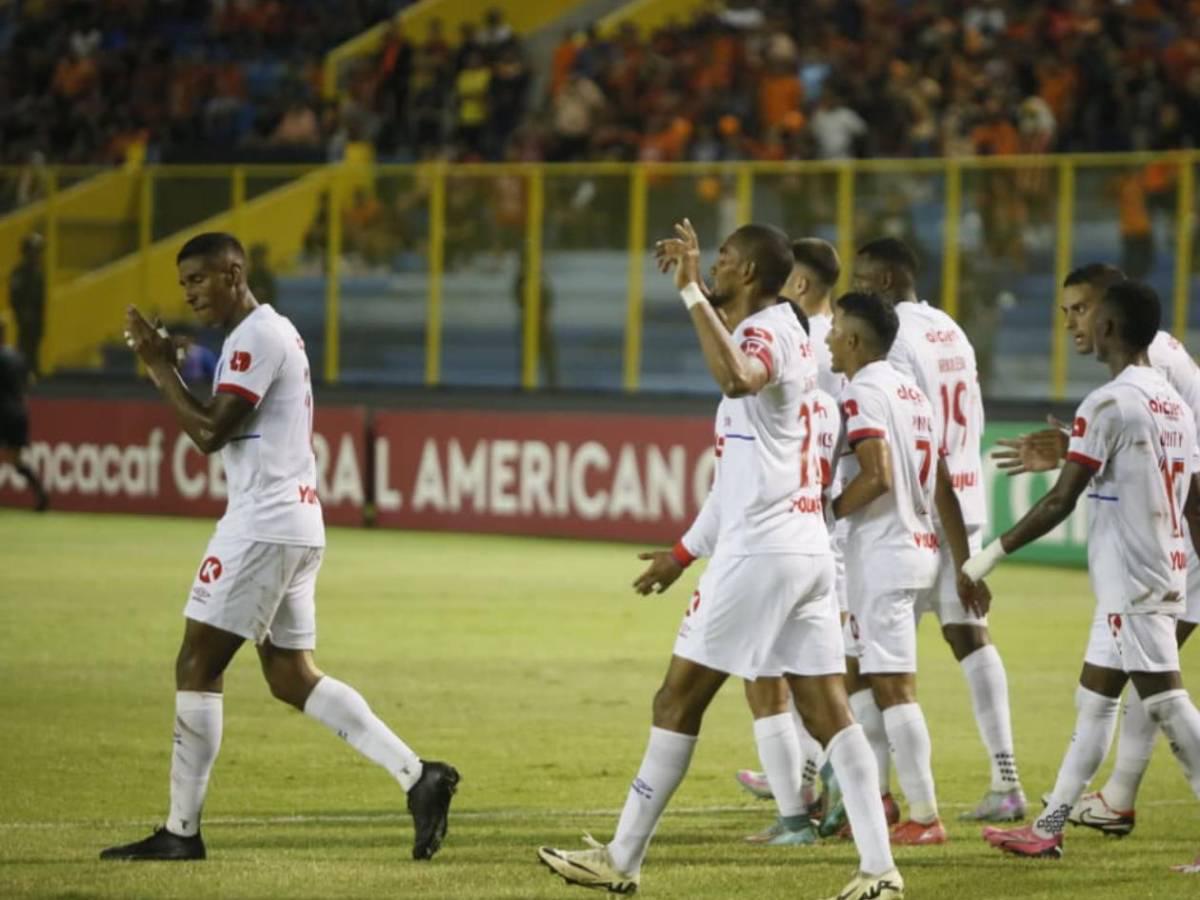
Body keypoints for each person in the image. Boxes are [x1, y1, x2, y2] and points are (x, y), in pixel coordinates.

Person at [537, 222, 904, 900]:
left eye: (727, 260)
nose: (715, 268)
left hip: (761, 556)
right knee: (828, 711)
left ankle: (622, 858)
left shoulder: (761, 337)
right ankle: (880, 870)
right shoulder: (804, 358)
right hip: (808, 552)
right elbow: (737, 483)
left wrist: (688, 294)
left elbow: (737, 376)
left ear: (754, 277)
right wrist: (681, 555)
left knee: (677, 699)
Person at [100, 232, 459, 862]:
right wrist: (178, 363)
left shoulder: (258, 337)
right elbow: (229, 416)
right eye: (184, 284)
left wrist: (158, 368)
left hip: (264, 525)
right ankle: (417, 776)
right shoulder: (261, 336)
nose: (190, 292)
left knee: (197, 665)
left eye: (201, 279)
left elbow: (211, 432)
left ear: (235, 273)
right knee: (291, 676)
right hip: (291, 521)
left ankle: (181, 834)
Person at [963, 280, 1200, 875]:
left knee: (1168, 705)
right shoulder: (1170, 402)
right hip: (1157, 568)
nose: (1077, 327)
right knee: (1094, 701)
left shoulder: (1109, 402)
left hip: (1134, 580)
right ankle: (1047, 828)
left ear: (1111, 328)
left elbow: (1059, 501)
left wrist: (988, 555)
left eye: (1085, 316)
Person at [850, 237, 1027, 823]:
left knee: (868, 657)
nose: (854, 286)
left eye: (862, 276)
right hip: (965, 500)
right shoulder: (950, 327)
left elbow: (916, 428)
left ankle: (864, 793)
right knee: (970, 634)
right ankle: (1007, 778)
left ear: (883, 281)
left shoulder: (891, 338)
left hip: (923, 508)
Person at [826, 289, 989, 846]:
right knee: (856, 679)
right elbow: (942, 480)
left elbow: (875, 477)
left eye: (834, 330)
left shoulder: (863, 394)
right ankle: (879, 801)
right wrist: (962, 561)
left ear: (851, 340)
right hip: (913, 547)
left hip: (884, 554)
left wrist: (822, 512)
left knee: (895, 688)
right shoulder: (912, 394)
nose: (826, 337)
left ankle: (925, 815)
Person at [735, 239, 854, 830]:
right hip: (821, 527)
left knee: (775, 675)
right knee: (821, 677)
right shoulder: (836, 343)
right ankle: (816, 776)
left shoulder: (806, 342)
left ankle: (803, 790)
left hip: (795, 523)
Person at [0, 317, 48, 511]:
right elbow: (30, 382)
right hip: (19, 412)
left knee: (13, 459)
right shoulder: (17, 356)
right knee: (15, 460)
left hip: (3, 411)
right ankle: (40, 494)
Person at [9, 232, 45, 377]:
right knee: (24, 348)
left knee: (34, 347)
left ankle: (32, 372)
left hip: (36, 318)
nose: (36, 256)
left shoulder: (39, 273)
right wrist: (22, 313)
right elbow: (14, 297)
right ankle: (22, 374)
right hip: (24, 319)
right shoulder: (19, 273)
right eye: (34, 251)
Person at [246, 244, 277, 308]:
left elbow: (272, 298)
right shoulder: (247, 277)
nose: (259, 261)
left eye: (261, 258)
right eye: (257, 257)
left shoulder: (267, 277)